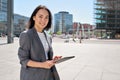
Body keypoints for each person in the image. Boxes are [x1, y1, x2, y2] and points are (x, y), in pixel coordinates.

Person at [18, 5, 62, 80]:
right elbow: (24, 60)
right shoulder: (26, 35)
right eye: (40, 16)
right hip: (33, 76)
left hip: (48, 75)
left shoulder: (48, 36)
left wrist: (52, 60)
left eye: (46, 17)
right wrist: (42, 65)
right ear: (34, 17)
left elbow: (45, 55)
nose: (43, 20)